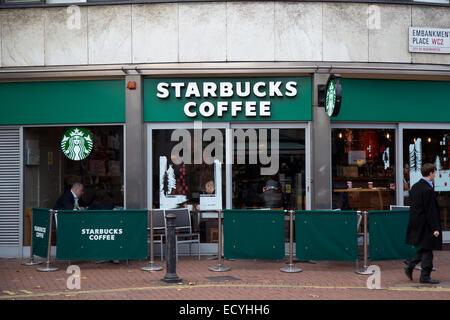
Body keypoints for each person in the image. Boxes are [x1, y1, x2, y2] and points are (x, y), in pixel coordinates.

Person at [404, 163, 442, 284]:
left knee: (426, 248)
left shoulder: (415, 187)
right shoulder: (427, 189)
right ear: (430, 173)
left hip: (417, 223)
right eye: (434, 173)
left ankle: (411, 264)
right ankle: (424, 276)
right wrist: (435, 228)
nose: (435, 175)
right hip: (426, 224)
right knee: (428, 250)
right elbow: (430, 211)